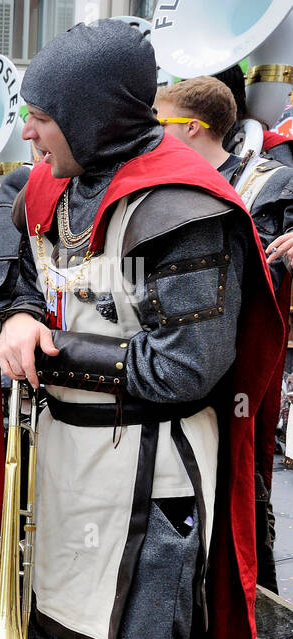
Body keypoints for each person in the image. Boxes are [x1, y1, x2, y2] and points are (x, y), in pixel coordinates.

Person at [0, 20, 283, 639]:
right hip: (66, 465)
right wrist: (19, 313)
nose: (27, 131)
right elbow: (17, 268)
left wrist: (50, 352)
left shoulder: (185, 205)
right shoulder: (53, 185)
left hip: (151, 478)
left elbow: (188, 366)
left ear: (89, 114)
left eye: (42, 116)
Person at [155, 75, 293, 594]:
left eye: (158, 122)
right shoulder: (160, 180)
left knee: (240, 495)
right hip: (175, 365)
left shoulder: (270, 182)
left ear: (192, 126)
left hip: (236, 368)